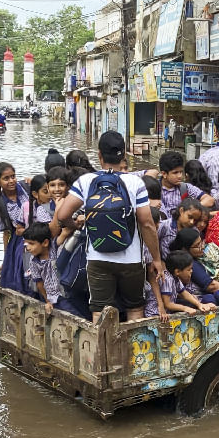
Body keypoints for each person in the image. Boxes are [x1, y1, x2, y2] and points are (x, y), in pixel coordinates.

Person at [52, 131, 164, 321]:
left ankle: (101, 350)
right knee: (135, 308)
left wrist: (77, 225)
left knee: (99, 311)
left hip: (97, 258)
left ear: (99, 155)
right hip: (132, 260)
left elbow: (62, 215)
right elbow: (146, 223)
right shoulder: (135, 182)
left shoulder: (86, 181)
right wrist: (157, 259)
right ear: (124, 155)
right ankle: (133, 350)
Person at [169, 227, 219, 305]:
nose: (202, 246)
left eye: (201, 242)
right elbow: (211, 285)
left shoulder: (204, 254)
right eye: (197, 246)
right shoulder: (187, 263)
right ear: (185, 249)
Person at [0, 162, 31, 294]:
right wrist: (6, 259)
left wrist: (35, 181)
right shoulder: (0, 204)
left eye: (13, 177)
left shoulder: (26, 187)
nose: (11, 181)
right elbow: (6, 234)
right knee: (21, 261)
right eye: (6, 178)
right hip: (19, 239)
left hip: (39, 231)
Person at [145, 250, 215, 318]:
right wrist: (185, 308)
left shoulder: (175, 279)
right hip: (155, 313)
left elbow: (184, 293)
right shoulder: (167, 279)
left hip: (166, 313)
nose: (191, 271)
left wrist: (200, 304)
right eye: (189, 269)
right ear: (177, 271)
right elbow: (168, 304)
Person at [157, 151, 214, 222]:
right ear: (164, 174)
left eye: (181, 172)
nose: (180, 176)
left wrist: (190, 209)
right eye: (175, 173)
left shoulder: (185, 188)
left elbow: (209, 200)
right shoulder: (153, 189)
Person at [23, 222, 62, 312]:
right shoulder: (33, 261)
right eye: (26, 244)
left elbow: (64, 234)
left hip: (63, 293)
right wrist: (48, 301)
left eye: (31, 244)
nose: (28, 248)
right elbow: (39, 283)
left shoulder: (55, 248)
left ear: (45, 243)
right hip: (50, 295)